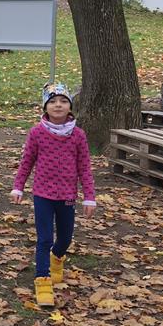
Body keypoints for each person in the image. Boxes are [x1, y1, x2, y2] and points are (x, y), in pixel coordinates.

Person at [9, 82, 96, 308]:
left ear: (70, 106)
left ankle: (57, 258)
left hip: (67, 195)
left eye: (63, 101)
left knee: (65, 238)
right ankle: (43, 281)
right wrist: (18, 186)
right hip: (43, 195)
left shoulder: (78, 135)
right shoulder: (37, 133)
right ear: (45, 107)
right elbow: (27, 161)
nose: (58, 105)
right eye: (53, 101)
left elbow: (85, 167)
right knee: (44, 239)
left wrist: (89, 196)